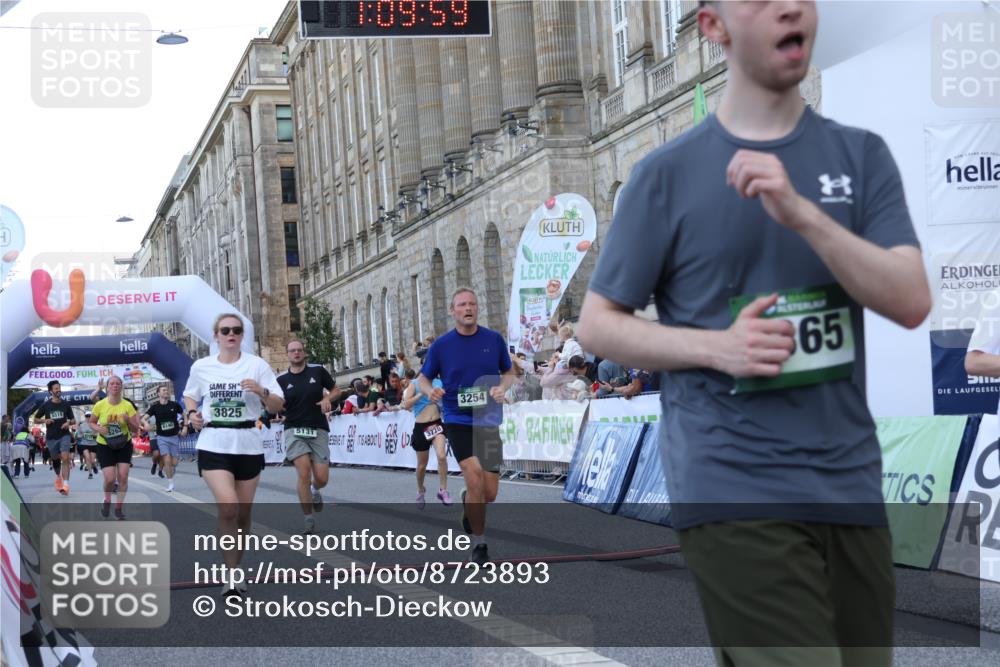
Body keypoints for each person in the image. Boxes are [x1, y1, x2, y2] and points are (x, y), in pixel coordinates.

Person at [577, 2, 931, 664]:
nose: (791, 8)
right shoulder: (666, 175)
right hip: (732, 483)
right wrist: (718, 347)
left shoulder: (860, 156)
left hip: (847, 483)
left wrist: (805, 216)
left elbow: (911, 300)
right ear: (713, 27)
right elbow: (599, 324)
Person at [183, 313, 284, 598]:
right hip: (214, 441)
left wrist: (262, 391)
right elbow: (190, 395)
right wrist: (192, 413)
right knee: (228, 506)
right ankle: (229, 576)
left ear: (242, 335)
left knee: (243, 512)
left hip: (248, 443)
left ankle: (236, 569)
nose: (231, 334)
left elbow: (277, 405)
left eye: (236, 330)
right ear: (216, 336)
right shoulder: (202, 367)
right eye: (225, 330)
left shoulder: (257, 365)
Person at [418, 287, 516, 564]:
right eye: (462, 304)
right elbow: (424, 378)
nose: (468, 308)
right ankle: (480, 544)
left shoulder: (493, 340)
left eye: (472, 303)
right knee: (473, 476)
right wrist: (430, 392)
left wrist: (501, 387)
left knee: (490, 494)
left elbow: (508, 372)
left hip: (488, 419)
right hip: (458, 419)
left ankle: (469, 502)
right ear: (453, 311)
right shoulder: (442, 345)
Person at [276, 339, 339, 534]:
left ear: (304, 353)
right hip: (294, 429)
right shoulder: (281, 380)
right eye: (292, 350)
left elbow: (337, 390)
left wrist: (328, 398)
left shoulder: (317, 371)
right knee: (303, 473)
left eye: (299, 350)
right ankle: (308, 519)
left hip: (318, 427)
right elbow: (274, 403)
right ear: (287, 354)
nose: (296, 353)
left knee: (322, 478)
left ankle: (315, 489)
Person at [90, 376, 141, 519]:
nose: (115, 386)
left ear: (121, 386)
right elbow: (92, 422)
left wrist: (128, 420)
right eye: (112, 383)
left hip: (124, 443)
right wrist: (99, 429)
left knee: (123, 476)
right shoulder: (100, 405)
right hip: (105, 444)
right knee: (110, 479)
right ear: (107, 387)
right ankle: (107, 500)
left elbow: (136, 428)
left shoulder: (127, 405)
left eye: (118, 383)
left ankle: (118, 508)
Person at [401, 365, 451, 509]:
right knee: (422, 465)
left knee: (442, 456)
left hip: (436, 424)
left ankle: (443, 490)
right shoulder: (415, 384)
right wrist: (422, 393)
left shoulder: (439, 382)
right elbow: (406, 405)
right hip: (421, 427)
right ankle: (421, 490)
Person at [34, 380, 77, 496]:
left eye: (59, 388)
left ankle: (66, 485)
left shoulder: (65, 404)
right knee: (55, 458)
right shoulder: (46, 405)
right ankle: (58, 476)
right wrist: (44, 420)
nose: (58, 390)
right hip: (51, 437)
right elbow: (35, 419)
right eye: (56, 388)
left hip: (64, 435)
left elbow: (73, 420)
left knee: (65, 457)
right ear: (51, 391)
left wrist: (68, 423)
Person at [143, 385, 187, 492]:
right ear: (158, 394)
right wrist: (145, 423)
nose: (166, 391)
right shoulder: (155, 407)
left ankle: (171, 470)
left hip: (174, 437)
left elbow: (184, 415)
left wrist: (185, 427)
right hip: (162, 437)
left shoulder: (174, 405)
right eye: (163, 390)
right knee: (166, 460)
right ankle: (170, 484)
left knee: (174, 462)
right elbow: (143, 418)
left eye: (167, 390)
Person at [76, 411, 99, 479]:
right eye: (87, 416)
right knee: (87, 458)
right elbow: (78, 435)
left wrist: (94, 435)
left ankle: (94, 466)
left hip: (93, 444)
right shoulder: (82, 425)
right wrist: (82, 435)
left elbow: (99, 434)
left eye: (89, 416)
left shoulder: (95, 424)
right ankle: (90, 473)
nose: (88, 417)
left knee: (92, 461)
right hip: (84, 444)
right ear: (85, 417)